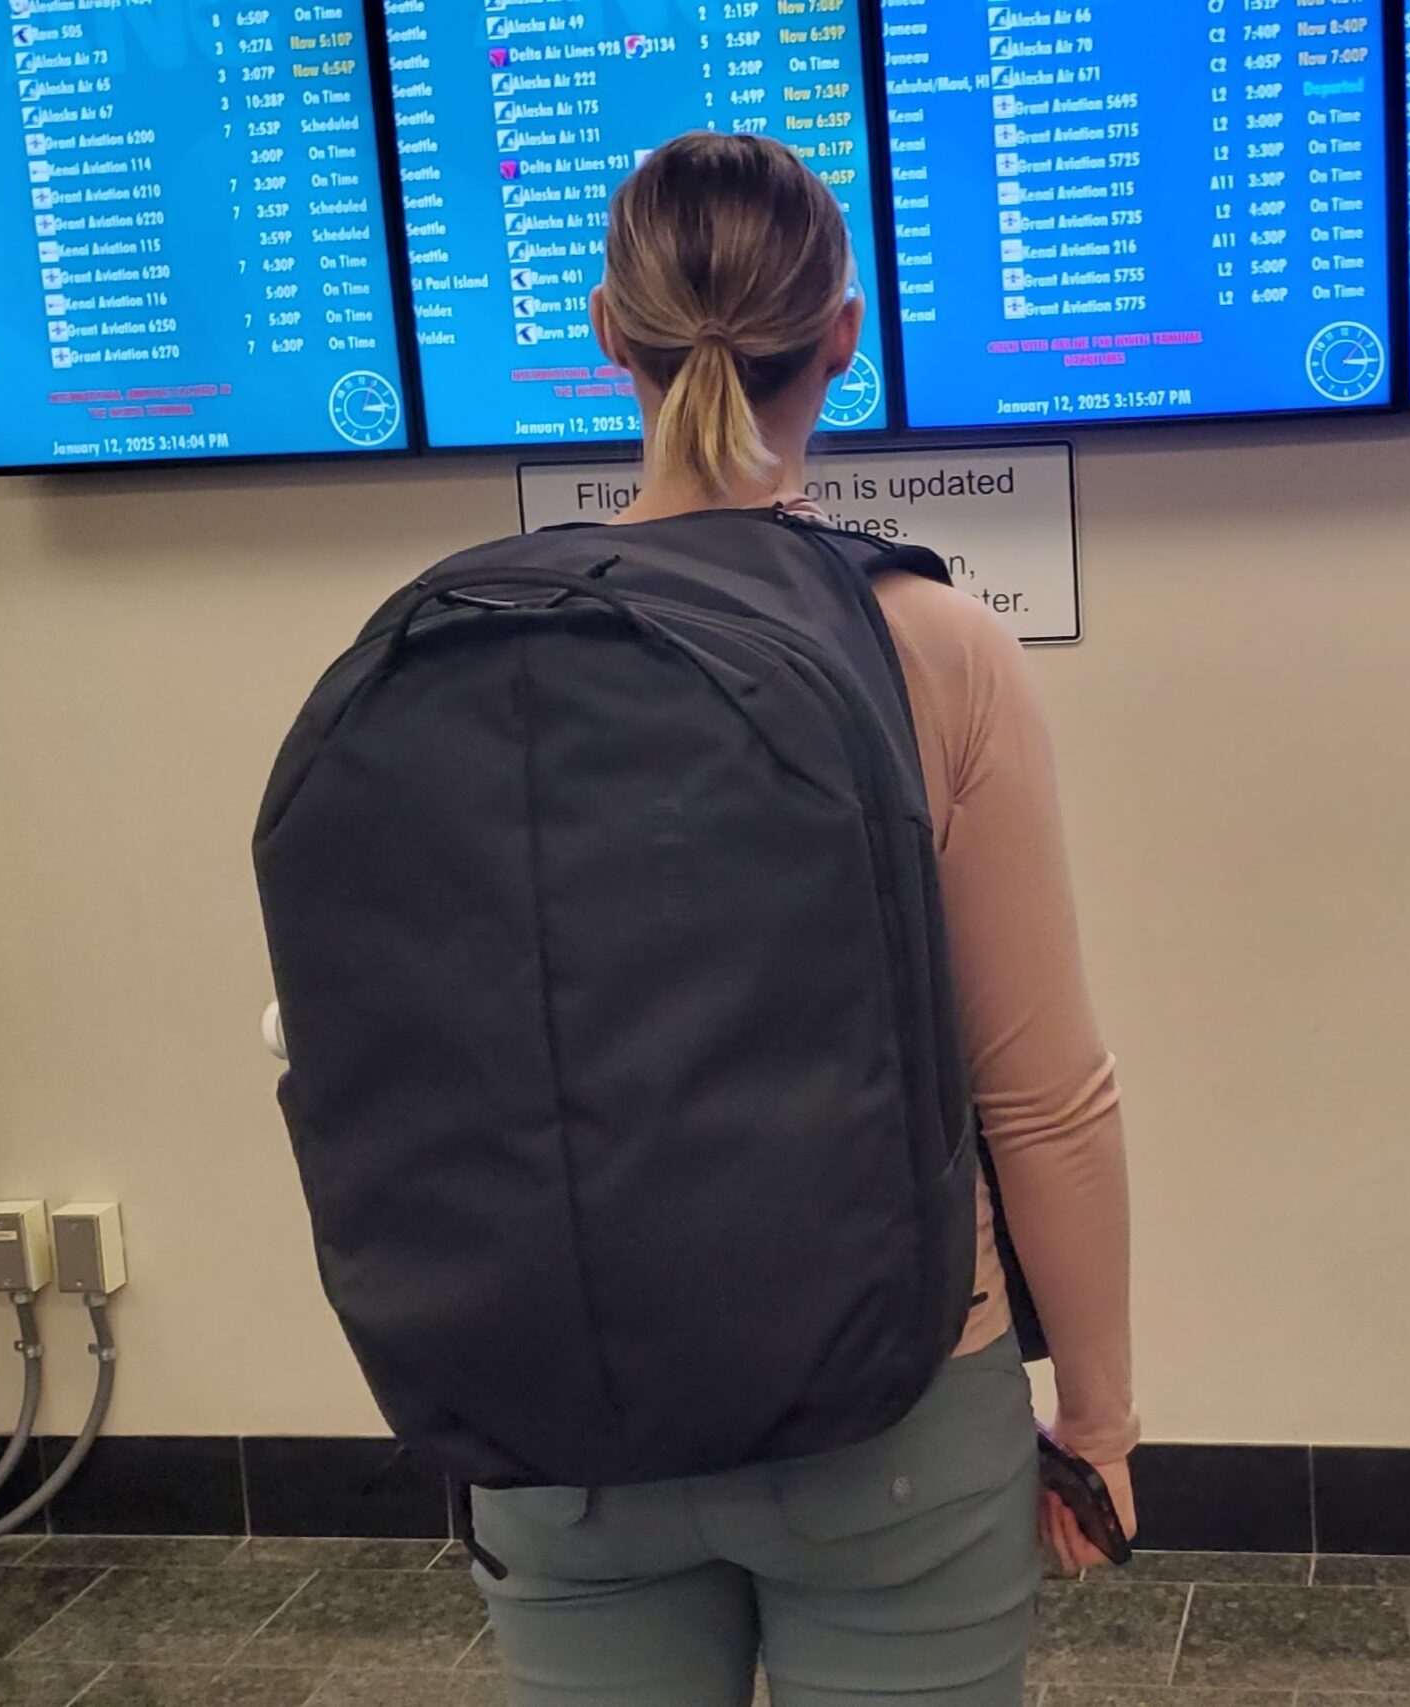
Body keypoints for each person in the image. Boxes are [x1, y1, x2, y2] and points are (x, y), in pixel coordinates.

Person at [467, 131, 1139, 1707]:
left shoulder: (476, 645)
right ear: (844, 335)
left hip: (562, 1420)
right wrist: (1097, 1425)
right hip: (896, 1409)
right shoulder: (936, 645)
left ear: (602, 335)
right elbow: (1045, 1101)